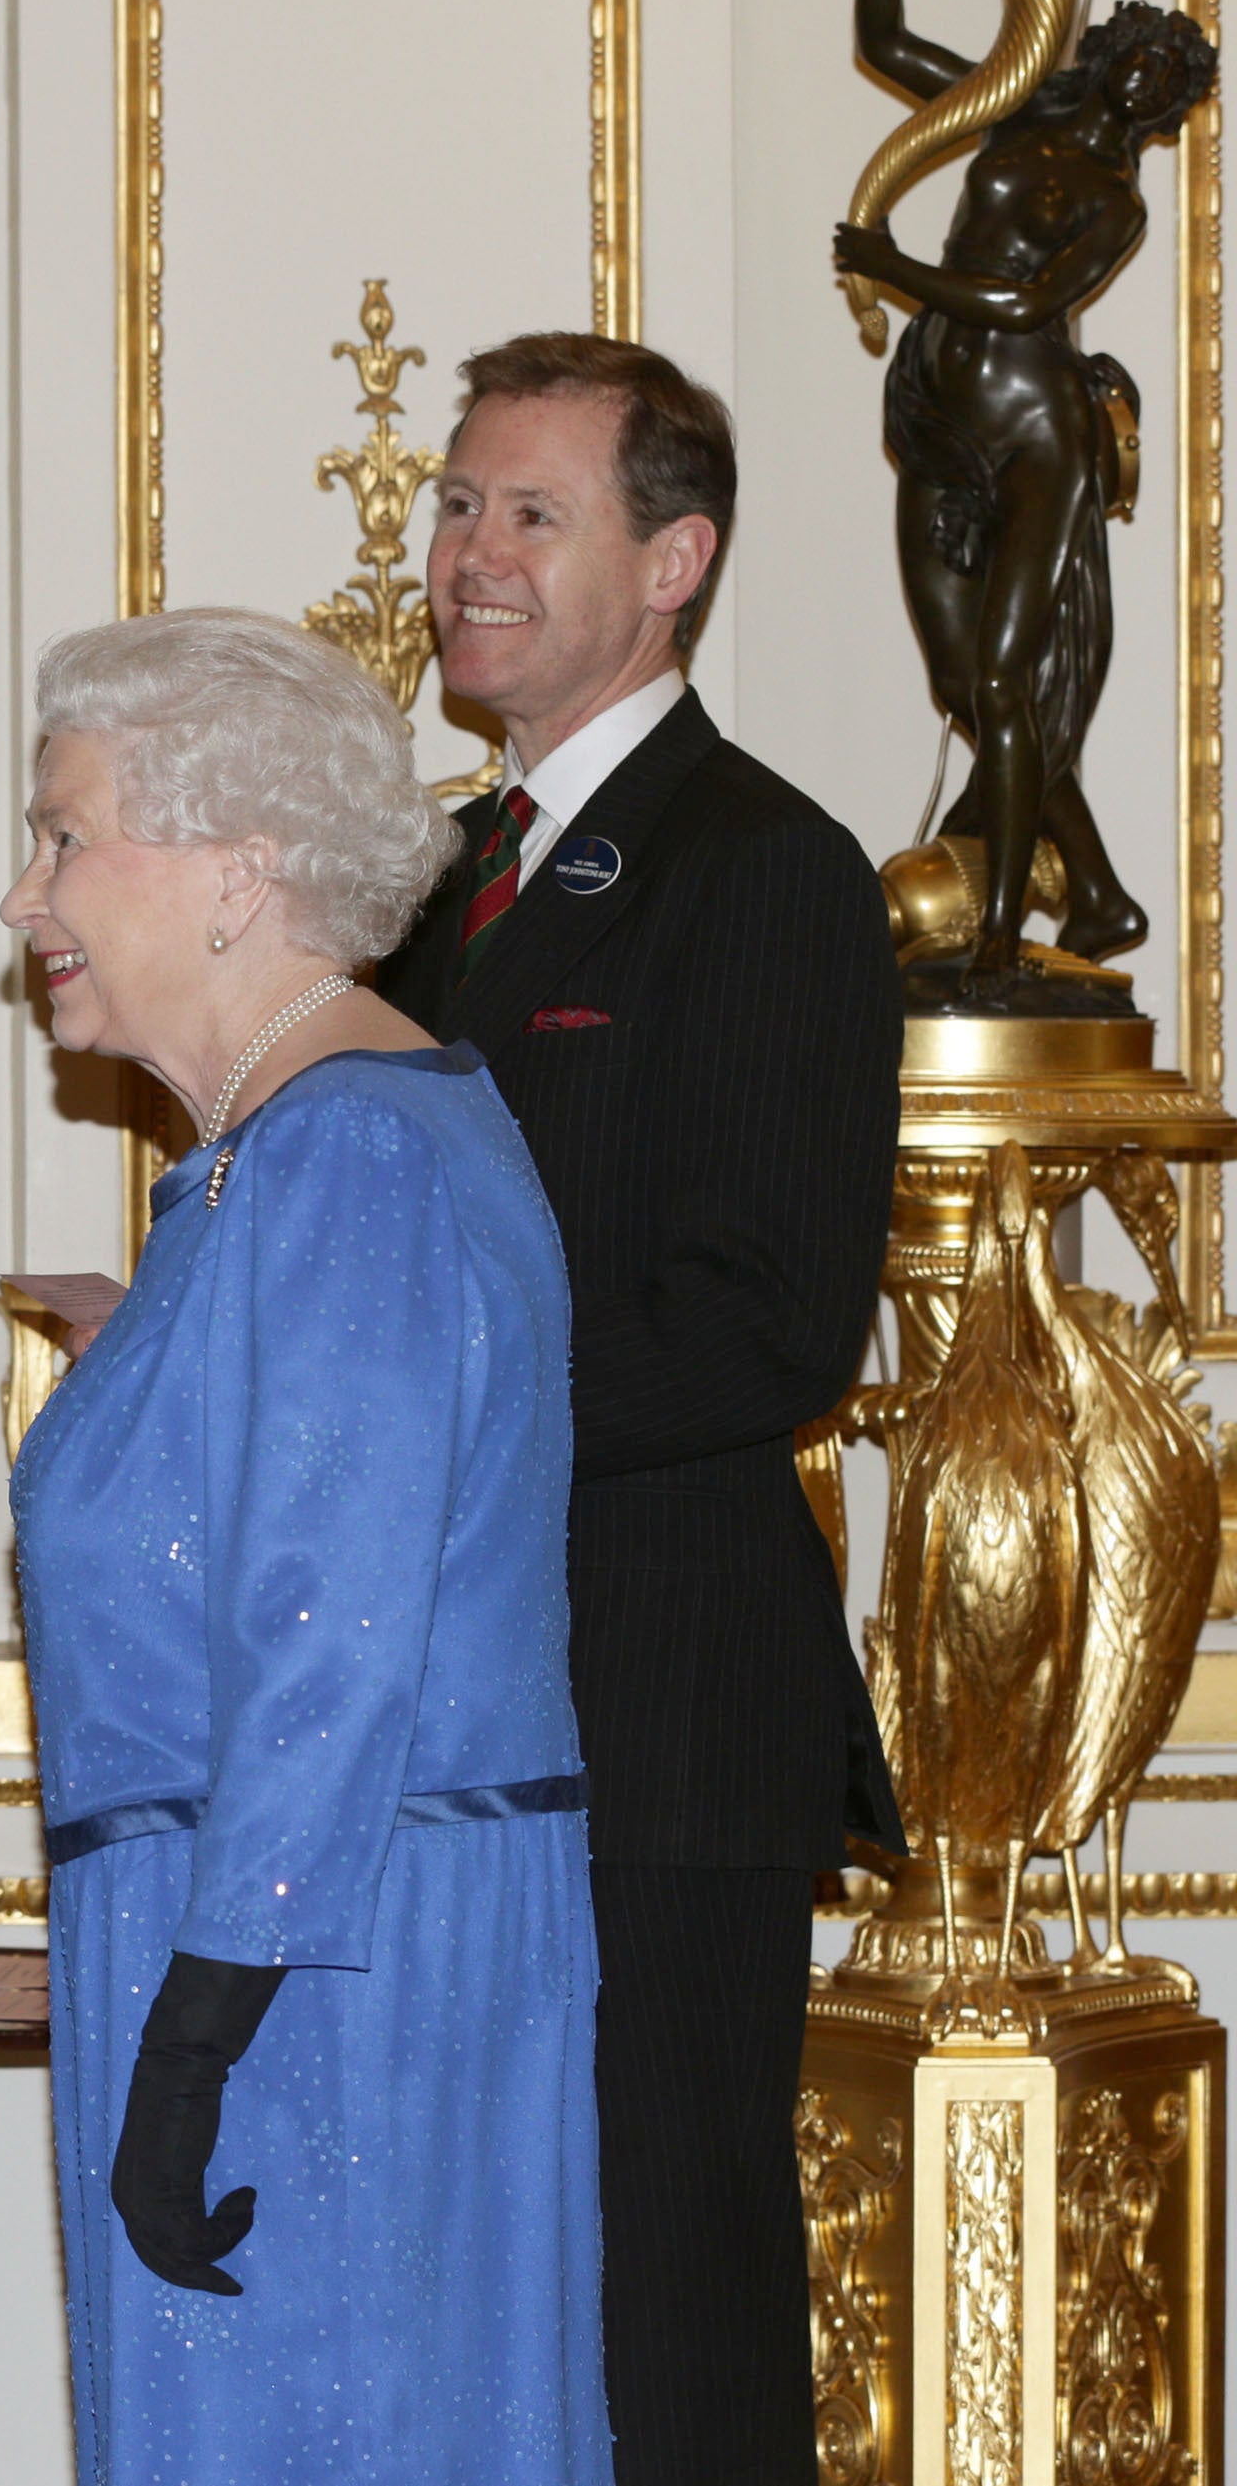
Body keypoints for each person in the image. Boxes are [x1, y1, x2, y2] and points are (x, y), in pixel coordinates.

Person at [374, 332, 903, 2486]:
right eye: (456, 504)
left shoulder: (764, 867)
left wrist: (420, 1401)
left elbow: (769, 1323)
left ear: (673, 559)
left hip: (659, 1713)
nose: (464, 555)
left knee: (664, 2313)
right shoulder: (426, 882)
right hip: (445, 1713)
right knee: (466, 2294)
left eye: (529, 513)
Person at [2, 606, 607, 2480]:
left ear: (237, 872)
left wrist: (199, 2031)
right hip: (293, 1934)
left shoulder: (342, 1153)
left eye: (66, 834)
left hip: (311, 1963)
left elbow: (327, 1637)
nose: (28, 898)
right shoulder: (295, 1150)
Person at [838, 0, 1219, 994]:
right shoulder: (1011, 102)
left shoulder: (1117, 202)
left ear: (1169, 113)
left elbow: (1024, 300)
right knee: (959, 682)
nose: (1149, 81)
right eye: (1145, 57)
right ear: (1109, 51)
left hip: (1037, 430)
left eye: (1171, 82)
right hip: (936, 413)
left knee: (1003, 682)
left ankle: (1001, 941)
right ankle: (1095, 891)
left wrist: (893, 266)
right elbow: (886, 44)